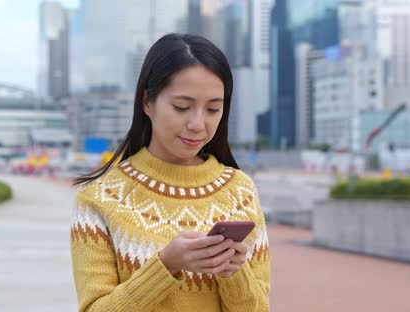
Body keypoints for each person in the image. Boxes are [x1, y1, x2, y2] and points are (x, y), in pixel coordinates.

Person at [70, 33, 270, 311]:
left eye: (213, 109)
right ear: (147, 103)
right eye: (182, 107)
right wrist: (167, 265)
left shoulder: (241, 192)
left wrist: (234, 272)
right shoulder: (98, 198)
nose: (198, 124)